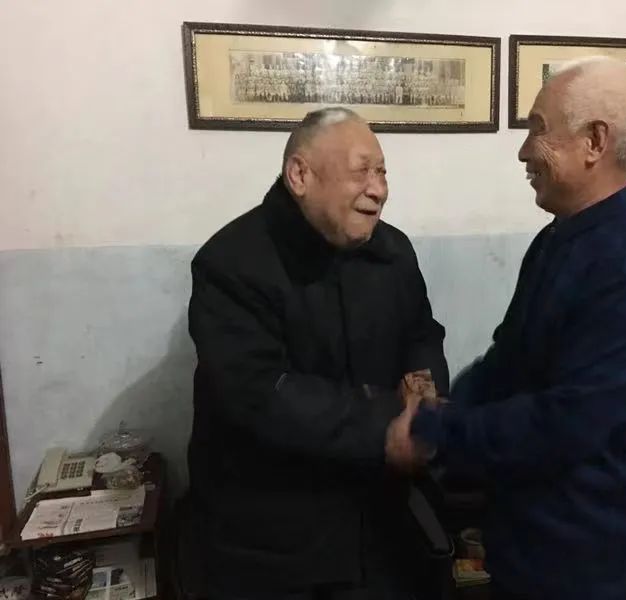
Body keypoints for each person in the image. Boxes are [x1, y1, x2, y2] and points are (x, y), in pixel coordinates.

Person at [388, 56, 626, 599]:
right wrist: (444, 410)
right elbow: (509, 358)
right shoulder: (560, 238)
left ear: (594, 141)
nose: (524, 150)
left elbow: (564, 424)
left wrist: (435, 433)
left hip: (585, 564)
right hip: (527, 541)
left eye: (538, 129)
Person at [182, 107, 449, 600]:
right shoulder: (231, 264)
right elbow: (259, 393)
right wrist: (387, 425)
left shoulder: (393, 252)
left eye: (383, 172)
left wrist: (424, 405)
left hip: (379, 525)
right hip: (272, 543)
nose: (379, 189)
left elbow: (422, 335)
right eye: (362, 171)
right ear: (300, 175)